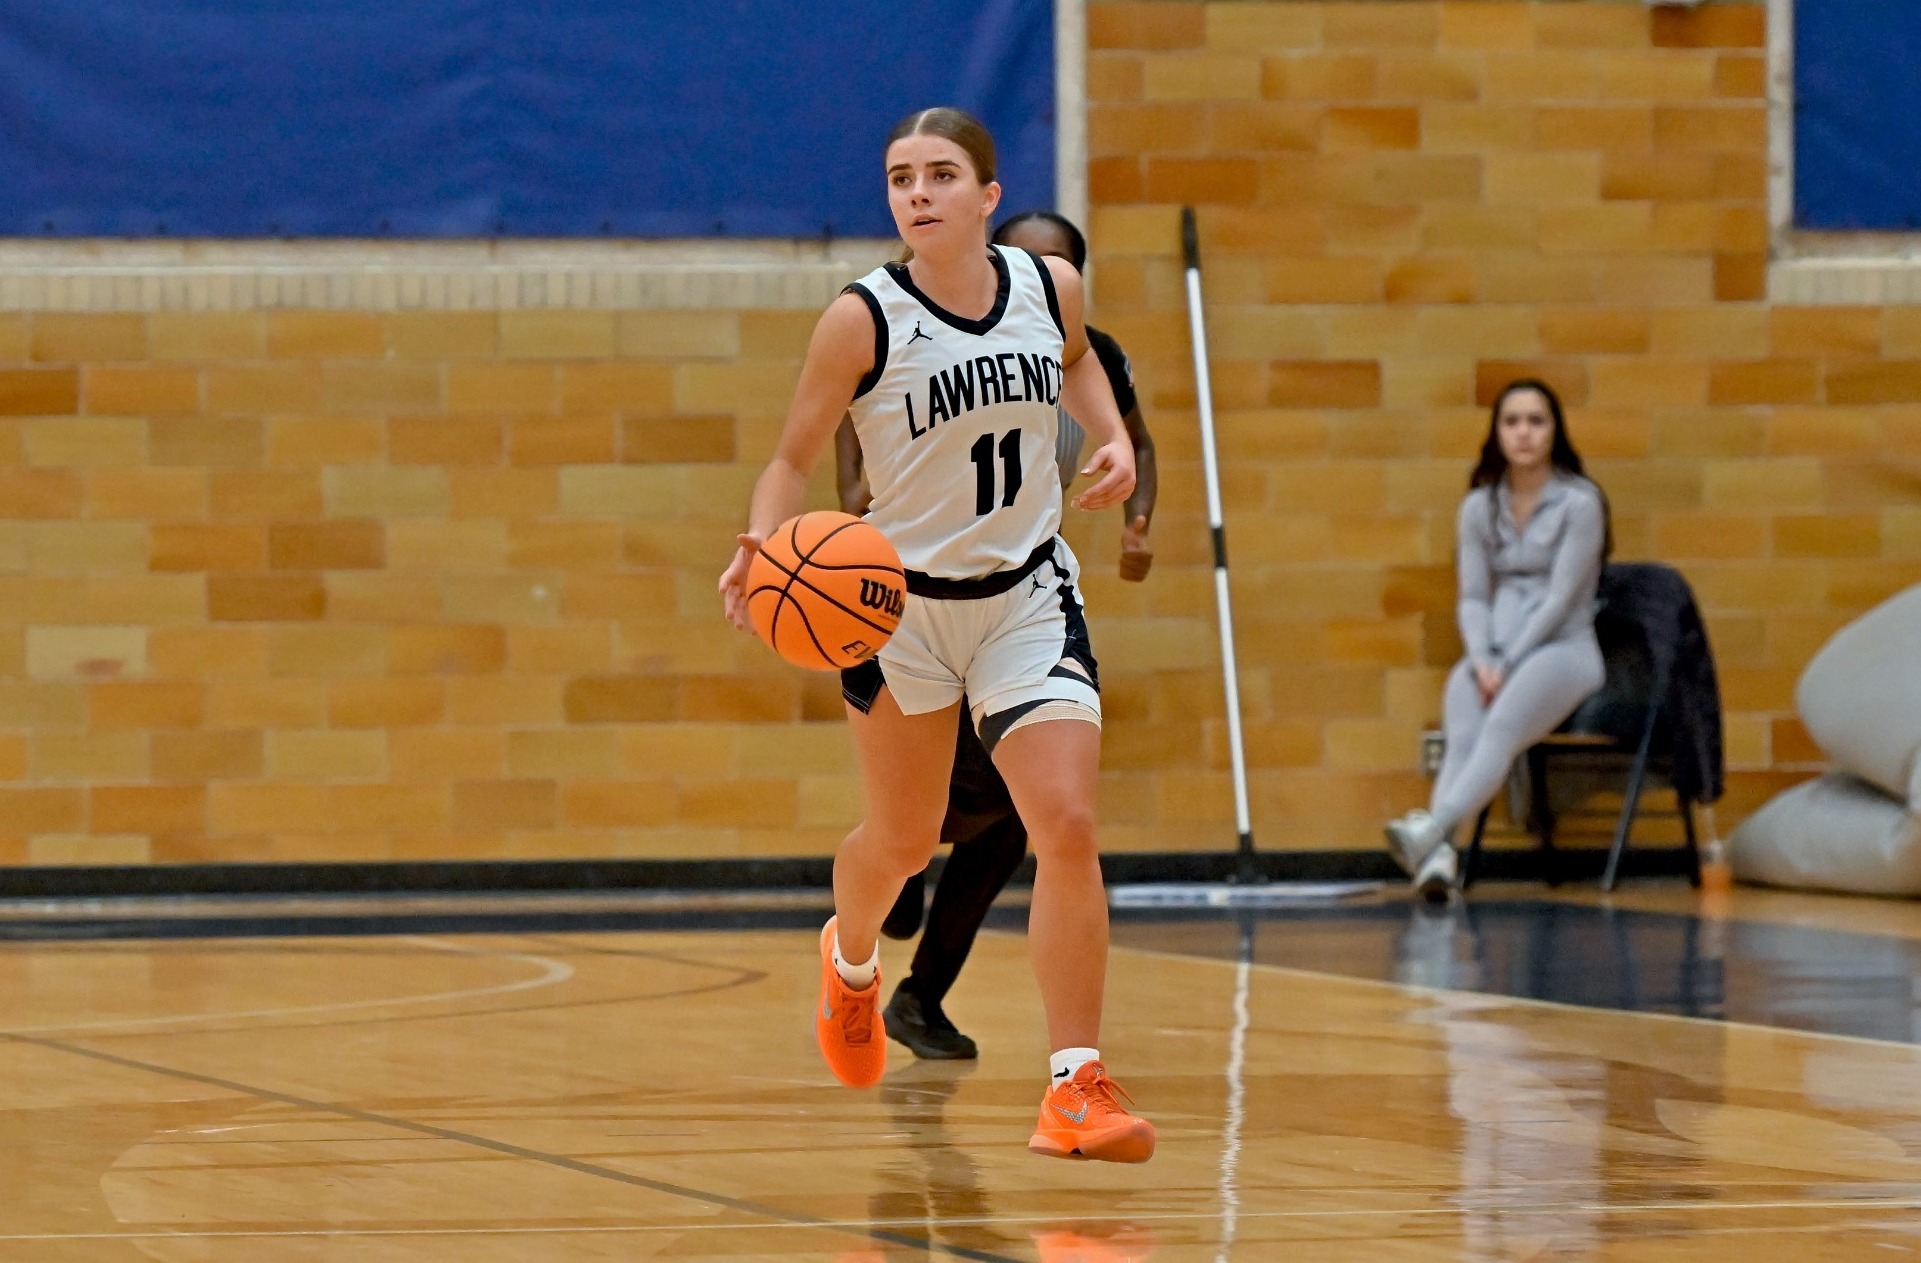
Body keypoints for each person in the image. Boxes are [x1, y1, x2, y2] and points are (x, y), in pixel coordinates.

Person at [718, 107, 1155, 1163]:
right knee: (904, 843)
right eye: (900, 177)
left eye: (940, 174)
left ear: (987, 195)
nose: (917, 192)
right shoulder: (861, 319)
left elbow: (1080, 359)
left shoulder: (1047, 287)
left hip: (1025, 595)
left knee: (1065, 820)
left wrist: (1115, 442)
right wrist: (764, 539)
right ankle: (853, 962)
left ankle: (1074, 1085)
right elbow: (791, 454)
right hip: (893, 609)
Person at [832, 209, 1159, 1064]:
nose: (1034, 278)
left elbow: (1133, 433)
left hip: (1019, 598)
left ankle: (999, 1032)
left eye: (1056, 268)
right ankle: (886, 903)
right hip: (915, 608)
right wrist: (846, 518)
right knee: (926, 824)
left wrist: (1137, 515)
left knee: (1041, 820)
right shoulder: (892, 325)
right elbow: (842, 416)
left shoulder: (1080, 342)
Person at [1385, 378, 1612, 902]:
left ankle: (1431, 828)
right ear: (1497, 433)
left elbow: (1560, 599)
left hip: (1563, 652)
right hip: (1494, 654)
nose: (1525, 433)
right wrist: (1483, 658)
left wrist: (1506, 663)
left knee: (1501, 729)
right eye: (1512, 422)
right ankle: (1440, 860)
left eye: (1537, 421)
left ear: (1555, 431)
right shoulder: (1478, 507)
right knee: (1461, 728)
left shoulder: (1581, 503)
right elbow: (1472, 597)